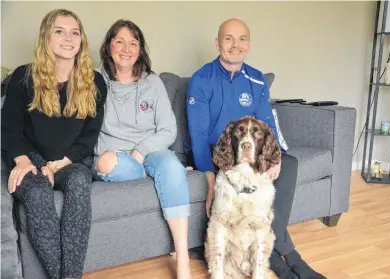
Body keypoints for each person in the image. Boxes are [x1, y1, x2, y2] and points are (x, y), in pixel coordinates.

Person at [186, 18, 326, 279]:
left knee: (290, 163)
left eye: (242, 39)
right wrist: (209, 177)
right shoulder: (201, 79)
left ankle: (278, 249)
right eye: (228, 38)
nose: (235, 45)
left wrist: (277, 159)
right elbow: (198, 134)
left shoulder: (257, 79)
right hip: (219, 154)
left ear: (248, 45)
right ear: (218, 43)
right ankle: (285, 257)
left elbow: (268, 127)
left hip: (249, 152)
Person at [1, 9, 107, 279]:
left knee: (80, 180)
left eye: (75, 32)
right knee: (36, 192)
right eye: (59, 31)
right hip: (30, 158)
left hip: (68, 163)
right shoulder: (24, 77)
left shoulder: (94, 82)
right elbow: (9, 129)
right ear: (46, 37)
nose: (68, 38)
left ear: (81, 40)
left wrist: (63, 162)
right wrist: (23, 160)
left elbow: (89, 135)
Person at [93, 20, 191, 279]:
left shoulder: (153, 83)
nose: (126, 49)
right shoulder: (93, 80)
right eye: (120, 41)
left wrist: (141, 151)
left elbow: (169, 130)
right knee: (105, 163)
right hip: (115, 156)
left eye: (133, 43)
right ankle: (165, 177)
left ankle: (182, 259)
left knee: (169, 164)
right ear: (108, 46)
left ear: (140, 49)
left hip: (151, 153)